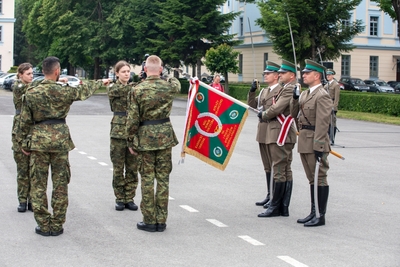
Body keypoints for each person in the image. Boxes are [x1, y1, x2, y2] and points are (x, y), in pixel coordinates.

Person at [16, 56, 109, 236]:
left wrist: (23, 143)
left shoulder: (32, 93)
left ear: (42, 72)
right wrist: (100, 81)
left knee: (38, 185)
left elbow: (24, 122)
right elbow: (83, 90)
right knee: (60, 184)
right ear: (57, 71)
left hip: (39, 142)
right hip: (60, 141)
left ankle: (43, 224)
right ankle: (57, 224)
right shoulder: (64, 91)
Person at [126, 55, 180, 232]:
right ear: (161, 69)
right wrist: (169, 75)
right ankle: (161, 220)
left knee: (147, 179)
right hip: (164, 137)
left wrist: (130, 140)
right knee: (163, 179)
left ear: (145, 70)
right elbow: (177, 84)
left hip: (145, 138)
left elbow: (132, 119)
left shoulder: (137, 90)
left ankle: (149, 220)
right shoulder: (169, 86)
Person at [290, 59, 332, 227]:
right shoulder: (306, 94)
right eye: (304, 73)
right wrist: (294, 98)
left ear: (317, 75)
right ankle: (313, 211)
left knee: (319, 177)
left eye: (307, 73)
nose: (304, 75)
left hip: (315, 140)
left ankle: (320, 215)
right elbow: (294, 114)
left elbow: (323, 122)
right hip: (305, 139)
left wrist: (319, 146)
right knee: (311, 178)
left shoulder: (322, 95)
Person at [257, 60, 297, 218]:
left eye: (282, 73)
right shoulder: (285, 88)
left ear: (291, 76)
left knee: (281, 170)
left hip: (281, 132)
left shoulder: (290, 89)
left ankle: (276, 205)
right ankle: (280, 205)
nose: (279, 75)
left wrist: (264, 114)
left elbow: (277, 108)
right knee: (281, 170)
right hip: (275, 131)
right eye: (279, 73)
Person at [107, 60, 138, 211]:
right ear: (117, 73)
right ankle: (120, 198)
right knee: (118, 167)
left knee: (132, 167)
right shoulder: (113, 88)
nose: (127, 74)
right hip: (118, 132)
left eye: (128, 71)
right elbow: (127, 92)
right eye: (124, 72)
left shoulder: (134, 88)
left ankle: (129, 197)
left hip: (133, 130)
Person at [247, 61, 279, 208]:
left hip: (272, 130)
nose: (265, 75)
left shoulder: (280, 91)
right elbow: (253, 106)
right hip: (262, 130)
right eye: (264, 73)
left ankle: (274, 196)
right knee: (267, 165)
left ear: (276, 76)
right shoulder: (264, 91)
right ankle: (269, 194)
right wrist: (252, 91)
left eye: (268, 73)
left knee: (274, 164)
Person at [12, 63, 34, 212]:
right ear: (20, 75)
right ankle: (22, 200)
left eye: (32, 73)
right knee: (22, 168)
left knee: (34, 169)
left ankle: (33, 200)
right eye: (28, 74)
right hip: (20, 129)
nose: (31, 76)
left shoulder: (32, 87)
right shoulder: (18, 87)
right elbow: (31, 90)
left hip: (33, 127)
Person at [324, 69, 340, 145]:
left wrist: (335, 107)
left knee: (332, 123)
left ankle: (332, 139)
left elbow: (337, 97)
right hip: (326, 106)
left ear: (333, 76)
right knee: (327, 123)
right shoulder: (326, 85)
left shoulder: (335, 85)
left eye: (329, 75)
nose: (328, 76)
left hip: (332, 105)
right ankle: (327, 138)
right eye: (327, 75)